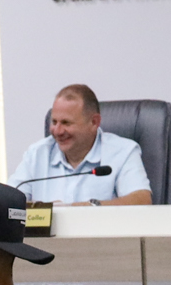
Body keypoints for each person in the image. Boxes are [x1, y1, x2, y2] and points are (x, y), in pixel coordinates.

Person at [9, 86, 151, 206]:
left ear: (94, 122)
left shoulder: (123, 151)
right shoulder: (37, 153)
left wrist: (90, 207)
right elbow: (7, 201)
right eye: (54, 122)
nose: (57, 131)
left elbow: (142, 200)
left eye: (66, 123)